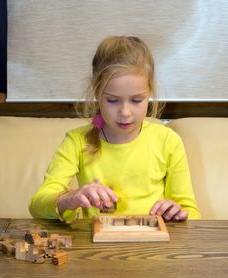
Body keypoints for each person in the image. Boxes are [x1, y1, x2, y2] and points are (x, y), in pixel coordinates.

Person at [29, 35, 201, 223]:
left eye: (137, 100)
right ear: (97, 93)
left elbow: (191, 213)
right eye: (112, 100)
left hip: (153, 247)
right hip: (99, 246)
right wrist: (69, 198)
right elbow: (37, 204)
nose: (125, 112)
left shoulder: (168, 141)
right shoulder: (77, 141)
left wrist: (178, 212)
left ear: (149, 92)